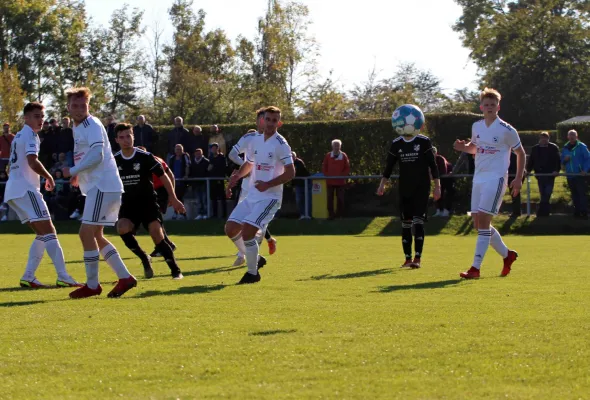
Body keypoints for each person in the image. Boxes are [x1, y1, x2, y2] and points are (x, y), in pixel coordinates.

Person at [61, 87, 137, 299]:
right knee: (95, 235)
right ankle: (125, 277)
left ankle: (93, 285)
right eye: (74, 106)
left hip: (102, 186)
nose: (78, 109)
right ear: (67, 107)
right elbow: (88, 154)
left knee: (86, 233)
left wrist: (74, 170)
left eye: (82, 105)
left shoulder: (91, 124)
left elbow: (97, 154)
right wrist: (79, 174)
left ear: (89, 106)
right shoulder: (79, 126)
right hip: (102, 186)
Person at [3, 102, 80, 288]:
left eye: (42, 116)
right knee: (50, 231)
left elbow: (11, 166)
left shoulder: (18, 136)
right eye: (36, 116)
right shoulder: (30, 135)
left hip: (13, 191)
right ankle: (63, 276)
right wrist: (48, 177)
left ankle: (28, 277)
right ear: (26, 118)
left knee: (42, 234)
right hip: (25, 190)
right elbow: (32, 160)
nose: (40, 120)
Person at [453, 88, 524, 279]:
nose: (490, 107)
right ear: (481, 107)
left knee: (484, 223)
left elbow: (521, 154)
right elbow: (476, 148)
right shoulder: (476, 126)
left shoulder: (507, 130)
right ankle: (507, 255)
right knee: (478, 224)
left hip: (496, 178)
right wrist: (463, 148)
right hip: (479, 178)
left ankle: (475, 268)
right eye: (486, 105)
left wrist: (517, 179)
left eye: (493, 104)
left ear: (498, 107)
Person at [226, 106, 295, 284]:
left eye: (274, 120)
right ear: (262, 120)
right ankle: (255, 259)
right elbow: (249, 164)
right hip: (253, 196)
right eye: (268, 119)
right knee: (231, 228)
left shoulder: (281, 144)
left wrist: (268, 184)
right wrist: (237, 177)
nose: (271, 123)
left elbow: (290, 173)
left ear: (279, 123)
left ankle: (252, 273)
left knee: (248, 232)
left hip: (270, 198)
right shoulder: (255, 140)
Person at [114, 123, 186, 279]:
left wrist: (173, 198)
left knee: (156, 233)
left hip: (148, 203)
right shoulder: (114, 160)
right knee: (121, 228)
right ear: (116, 140)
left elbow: (164, 176)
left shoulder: (145, 156)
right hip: (128, 205)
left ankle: (175, 270)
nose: (126, 140)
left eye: (129, 136)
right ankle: (144, 258)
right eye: (122, 137)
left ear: (133, 136)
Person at [377, 112, 441, 269]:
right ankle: (407, 259)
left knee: (418, 221)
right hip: (405, 187)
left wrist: (437, 186)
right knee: (406, 223)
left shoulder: (424, 142)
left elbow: (433, 166)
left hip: (422, 187)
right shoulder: (396, 143)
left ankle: (417, 258)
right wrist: (382, 184)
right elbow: (389, 167)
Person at [227, 110, 278, 261]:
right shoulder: (249, 137)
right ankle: (246, 252)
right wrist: (245, 168)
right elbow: (232, 154)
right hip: (247, 185)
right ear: (257, 121)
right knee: (239, 220)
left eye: (268, 120)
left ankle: (249, 254)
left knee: (258, 220)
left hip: (265, 186)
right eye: (263, 119)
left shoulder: (276, 141)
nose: (266, 123)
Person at [526, 132, 561, 217]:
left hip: (550, 175)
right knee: (543, 193)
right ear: (540, 138)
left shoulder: (553, 147)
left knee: (547, 192)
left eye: (546, 138)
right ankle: (545, 212)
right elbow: (531, 160)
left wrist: (557, 170)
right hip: (539, 174)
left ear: (548, 139)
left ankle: (541, 211)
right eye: (542, 138)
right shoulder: (535, 148)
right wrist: (528, 170)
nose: (544, 140)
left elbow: (558, 160)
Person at [561, 129, 590, 219]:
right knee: (574, 194)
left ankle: (584, 213)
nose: (572, 136)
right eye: (570, 135)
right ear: (568, 137)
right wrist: (564, 160)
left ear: (576, 136)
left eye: (573, 135)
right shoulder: (565, 147)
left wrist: (585, 170)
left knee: (582, 194)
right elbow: (562, 161)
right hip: (570, 175)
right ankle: (577, 212)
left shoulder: (581, 146)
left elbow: (588, 159)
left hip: (580, 175)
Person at [322, 139, 350, 219]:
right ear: (332, 146)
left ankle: (339, 215)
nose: (336, 147)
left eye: (338, 145)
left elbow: (347, 168)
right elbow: (324, 167)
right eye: (335, 145)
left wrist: (342, 175)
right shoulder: (328, 155)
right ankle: (331, 215)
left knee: (340, 199)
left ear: (340, 146)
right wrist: (328, 175)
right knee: (329, 199)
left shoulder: (344, 155)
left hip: (340, 182)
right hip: (330, 182)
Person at [167, 144, 190, 220]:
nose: (178, 151)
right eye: (177, 149)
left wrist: (186, 175)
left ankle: (182, 213)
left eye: (180, 149)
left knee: (180, 197)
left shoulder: (185, 157)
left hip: (182, 181)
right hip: (174, 181)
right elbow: (169, 169)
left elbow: (187, 166)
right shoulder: (172, 158)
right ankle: (176, 213)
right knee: (175, 197)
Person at [208, 143, 228, 219]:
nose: (213, 150)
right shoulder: (210, 157)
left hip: (220, 179)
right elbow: (209, 168)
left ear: (218, 149)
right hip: (212, 180)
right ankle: (215, 215)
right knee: (213, 198)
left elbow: (224, 168)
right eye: (212, 148)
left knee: (222, 198)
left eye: (215, 148)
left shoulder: (222, 157)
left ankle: (224, 215)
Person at [432, 147, 453, 217]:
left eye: (433, 152)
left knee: (448, 193)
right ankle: (439, 210)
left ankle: (446, 210)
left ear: (436, 153)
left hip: (448, 177)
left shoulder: (440, 158)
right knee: (438, 193)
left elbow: (443, 171)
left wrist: (433, 176)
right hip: (439, 178)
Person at [189, 148, 210, 220]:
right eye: (196, 153)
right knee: (198, 200)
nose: (198, 154)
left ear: (202, 153)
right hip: (196, 184)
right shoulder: (192, 162)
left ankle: (205, 214)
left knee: (204, 200)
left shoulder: (206, 161)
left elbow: (208, 172)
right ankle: (199, 213)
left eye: (199, 153)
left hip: (204, 183)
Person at [293, 151, 312, 219]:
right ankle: (302, 215)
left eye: (293, 157)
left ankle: (308, 215)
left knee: (307, 199)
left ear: (295, 157)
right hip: (298, 184)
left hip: (306, 183)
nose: (291, 158)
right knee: (298, 200)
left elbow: (297, 173)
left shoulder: (299, 162)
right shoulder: (289, 163)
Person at [507, 151, 523, 218]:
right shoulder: (512, 155)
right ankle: (516, 212)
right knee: (515, 195)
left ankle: (516, 212)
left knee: (515, 194)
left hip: (513, 177)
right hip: (511, 176)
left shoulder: (513, 156)